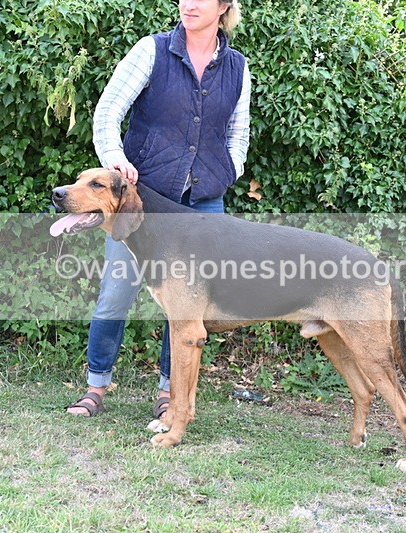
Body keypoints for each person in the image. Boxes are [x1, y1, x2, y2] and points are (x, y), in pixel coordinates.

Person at [66, 0, 250, 420]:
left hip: (204, 202)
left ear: (224, 6)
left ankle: (171, 395)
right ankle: (96, 387)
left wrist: (227, 171)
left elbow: (238, 134)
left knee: (188, 304)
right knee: (116, 292)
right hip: (142, 201)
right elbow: (108, 110)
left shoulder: (237, 67)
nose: (189, 4)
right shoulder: (152, 50)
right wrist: (114, 158)